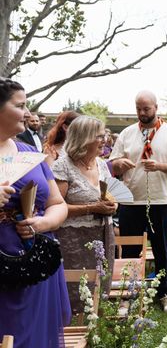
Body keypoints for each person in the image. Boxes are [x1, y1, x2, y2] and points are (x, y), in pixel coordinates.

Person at [0, 78, 71, 348]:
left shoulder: (31, 154)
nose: (27, 112)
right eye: (20, 104)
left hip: (34, 264)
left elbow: (58, 204)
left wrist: (42, 223)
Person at [110, 90, 167, 313]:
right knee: (131, 250)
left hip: (161, 200)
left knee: (162, 248)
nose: (142, 113)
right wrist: (120, 163)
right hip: (130, 200)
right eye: (138, 109)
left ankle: (166, 293)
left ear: (156, 107)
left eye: (146, 108)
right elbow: (112, 164)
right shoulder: (126, 133)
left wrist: (160, 166)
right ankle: (128, 294)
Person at [52, 115, 116, 314]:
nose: (104, 139)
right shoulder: (63, 166)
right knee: (77, 290)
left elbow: (110, 194)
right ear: (84, 138)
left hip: (105, 234)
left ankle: (97, 330)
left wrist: (113, 204)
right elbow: (56, 207)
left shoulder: (102, 164)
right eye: (99, 135)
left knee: (101, 284)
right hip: (73, 238)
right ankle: (74, 333)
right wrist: (92, 208)